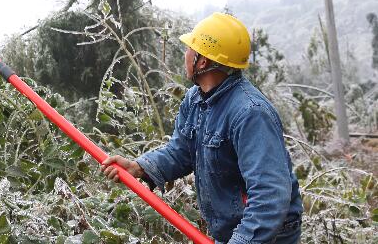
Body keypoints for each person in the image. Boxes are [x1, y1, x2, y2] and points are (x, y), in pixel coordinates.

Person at [102, 12, 303, 244]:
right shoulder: (195, 99)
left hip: (266, 233)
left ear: (203, 61)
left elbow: (270, 196)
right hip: (234, 229)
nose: (185, 55)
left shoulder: (250, 113)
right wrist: (138, 167)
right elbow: (181, 152)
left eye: (189, 49)